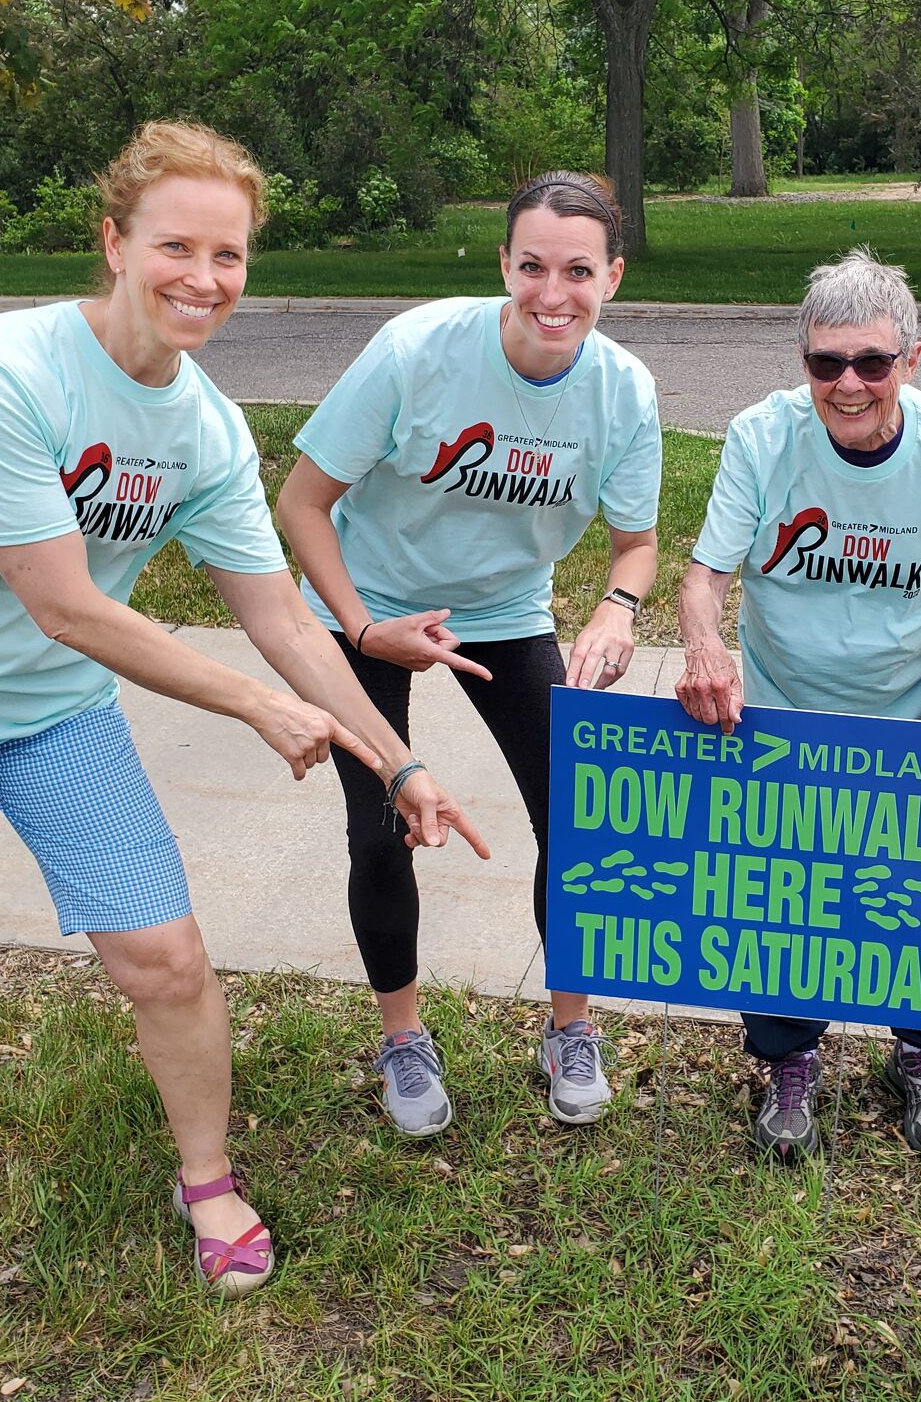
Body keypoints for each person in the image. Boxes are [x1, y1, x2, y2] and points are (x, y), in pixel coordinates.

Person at [0, 121, 485, 1297]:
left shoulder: (205, 428)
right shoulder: (4, 370)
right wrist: (256, 708)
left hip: (43, 709)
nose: (203, 280)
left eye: (230, 256)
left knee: (166, 955)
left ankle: (205, 1179)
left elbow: (281, 618)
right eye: (177, 246)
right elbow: (65, 604)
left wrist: (394, 762)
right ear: (113, 242)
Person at [275, 170, 660, 1134]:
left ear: (613, 277)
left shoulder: (624, 391)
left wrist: (616, 609)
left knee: (581, 824)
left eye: (578, 270)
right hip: (372, 609)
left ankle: (570, 1028)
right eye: (531, 266)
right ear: (504, 265)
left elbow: (638, 544)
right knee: (382, 826)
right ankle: (403, 1039)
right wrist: (365, 628)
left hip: (508, 612)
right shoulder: (416, 352)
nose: (552, 294)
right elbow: (301, 504)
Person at [676, 247, 921, 1162]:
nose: (849, 384)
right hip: (782, 715)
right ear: (803, 362)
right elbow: (706, 572)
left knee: (915, 896)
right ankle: (790, 1059)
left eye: (873, 362)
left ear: (912, 359)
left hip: (905, 711)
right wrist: (705, 643)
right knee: (781, 894)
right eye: (826, 362)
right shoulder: (763, 436)